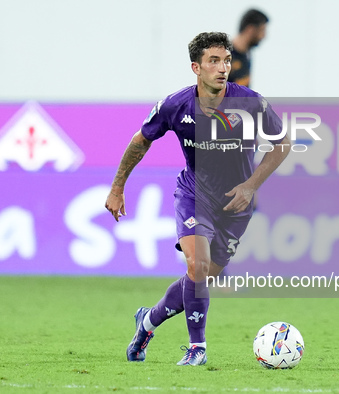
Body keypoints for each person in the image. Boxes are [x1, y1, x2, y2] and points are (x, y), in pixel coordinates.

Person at [105, 32, 290, 366]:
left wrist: (250, 186)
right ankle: (197, 348)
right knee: (198, 265)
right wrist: (118, 188)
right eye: (213, 61)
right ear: (196, 67)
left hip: (235, 205)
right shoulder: (176, 105)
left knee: (201, 277)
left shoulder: (251, 102)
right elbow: (140, 141)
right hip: (194, 195)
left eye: (227, 60)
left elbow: (282, 144)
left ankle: (147, 321)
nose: (223, 68)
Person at [228, 9, 269, 87]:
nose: (263, 36)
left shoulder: (247, 55)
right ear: (250, 29)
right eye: (262, 30)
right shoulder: (223, 55)